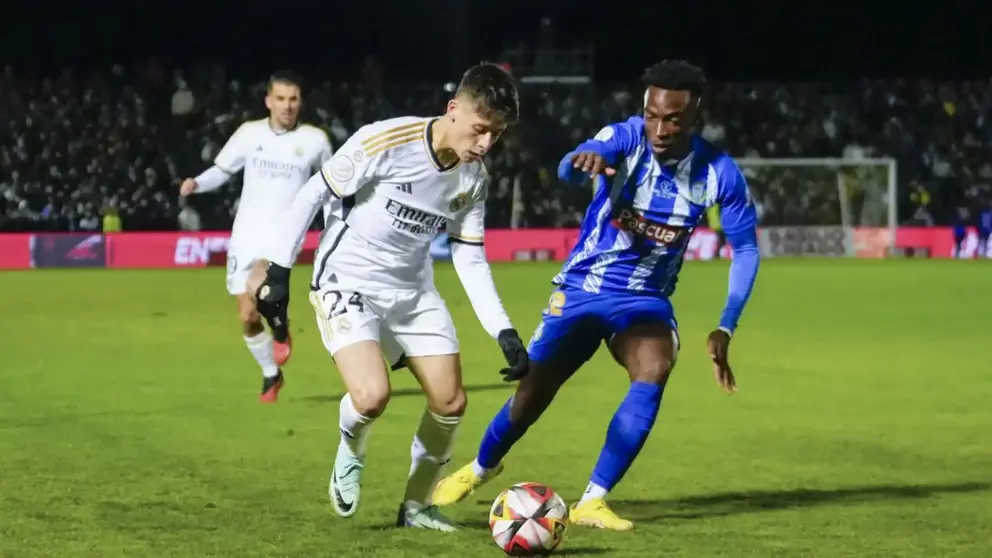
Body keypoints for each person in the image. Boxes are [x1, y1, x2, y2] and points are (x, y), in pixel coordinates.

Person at [432, 60, 762, 531]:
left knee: (655, 365)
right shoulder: (626, 137)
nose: (660, 128)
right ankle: (481, 467)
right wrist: (580, 161)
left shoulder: (719, 173)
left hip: (644, 300)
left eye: (673, 119)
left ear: (694, 116)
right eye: (652, 115)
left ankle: (593, 499)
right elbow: (575, 161)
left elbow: (746, 248)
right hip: (583, 288)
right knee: (532, 394)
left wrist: (726, 324)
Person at [250, 63, 529, 531]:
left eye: (495, 135)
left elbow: (470, 257)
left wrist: (503, 329)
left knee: (451, 402)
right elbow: (312, 195)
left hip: (413, 294)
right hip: (347, 281)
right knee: (373, 396)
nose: (484, 145)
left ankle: (417, 507)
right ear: (453, 110)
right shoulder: (387, 141)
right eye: (481, 130)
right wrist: (279, 273)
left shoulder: (473, 178)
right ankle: (350, 450)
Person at [179, 71, 332, 403]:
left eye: (293, 99)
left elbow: (330, 186)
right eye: (280, 99)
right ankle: (270, 374)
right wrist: (197, 183)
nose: (287, 106)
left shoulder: (315, 140)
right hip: (246, 233)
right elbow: (223, 170)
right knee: (247, 316)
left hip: (284, 234)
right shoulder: (249, 134)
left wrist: (336, 222)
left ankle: (279, 325)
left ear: (300, 102)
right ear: (268, 101)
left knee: (260, 287)